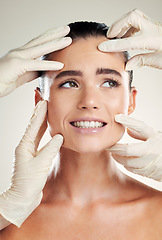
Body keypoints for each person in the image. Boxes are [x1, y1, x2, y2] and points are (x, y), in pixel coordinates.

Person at [0, 9, 162, 239]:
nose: (89, 102)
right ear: (40, 101)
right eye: (69, 83)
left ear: (131, 100)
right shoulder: (8, 218)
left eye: (108, 82)